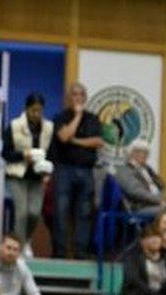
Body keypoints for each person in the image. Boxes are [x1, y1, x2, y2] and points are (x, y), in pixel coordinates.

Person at [52, 83, 102, 259]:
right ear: (68, 98)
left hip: (86, 170)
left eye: (82, 94)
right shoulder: (60, 117)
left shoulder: (93, 118)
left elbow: (97, 141)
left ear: (85, 97)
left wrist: (75, 141)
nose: (78, 97)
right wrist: (78, 115)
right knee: (61, 212)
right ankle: (60, 252)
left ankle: (81, 252)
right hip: (64, 169)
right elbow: (63, 136)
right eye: (75, 94)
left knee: (85, 213)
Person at [2, 92, 53, 250]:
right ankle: (20, 247)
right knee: (22, 213)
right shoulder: (14, 125)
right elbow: (6, 153)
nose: (36, 114)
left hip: (37, 177)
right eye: (33, 110)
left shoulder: (48, 127)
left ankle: (26, 240)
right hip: (16, 175)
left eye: (40, 110)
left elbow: (51, 152)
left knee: (34, 213)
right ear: (26, 109)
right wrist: (24, 155)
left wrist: (47, 170)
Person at [113, 139, 166, 213]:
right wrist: (158, 200)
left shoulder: (147, 169)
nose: (144, 155)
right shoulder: (124, 170)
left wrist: (163, 199)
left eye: (146, 153)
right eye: (139, 152)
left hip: (154, 204)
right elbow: (135, 191)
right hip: (138, 207)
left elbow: (161, 185)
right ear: (131, 153)